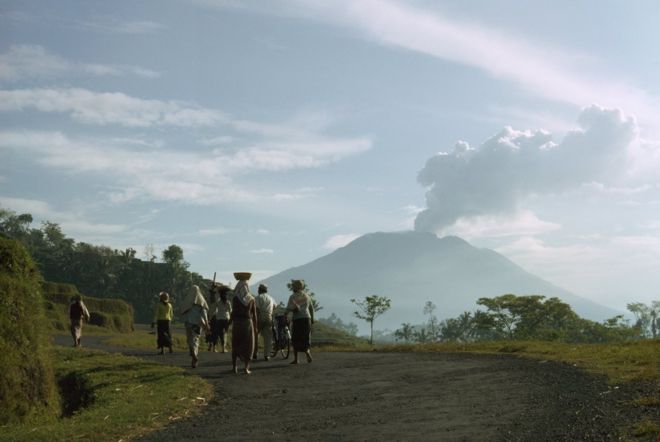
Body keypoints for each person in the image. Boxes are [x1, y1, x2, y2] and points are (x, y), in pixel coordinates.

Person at [231, 272, 257, 374]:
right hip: (247, 323)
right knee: (248, 345)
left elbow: (233, 312)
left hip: (237, 323)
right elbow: (254, 314)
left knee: (236, 344)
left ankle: (234, 367)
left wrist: (230, 323)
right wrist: (255, 327)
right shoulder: (251, 299)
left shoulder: (235, 298)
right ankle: (246, 368)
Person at [179, 285, 209, 368]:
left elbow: (183, 311)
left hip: (188, 323)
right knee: (196, 340)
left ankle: (193, 355)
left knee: (189, 340)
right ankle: (194, 356)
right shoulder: (201, 302)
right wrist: (206, 324)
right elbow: (204, 314)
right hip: (198, 324)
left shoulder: (187, 301)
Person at [286, 280, 314, 364]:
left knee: (295, 337)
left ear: (295, 287)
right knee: (305, 337)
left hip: (297, 319)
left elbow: (289, 308)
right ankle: (307, 352)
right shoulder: (307, 296)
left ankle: (296, 359)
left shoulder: (292, 297)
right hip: (307, 318)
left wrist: (285, 313)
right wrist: (312, 319)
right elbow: (311, 309)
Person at [254, 283, 276, 360]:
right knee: (268, 337)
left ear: (260, 290)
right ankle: (267, 355)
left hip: (260, 316)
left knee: (256, 335)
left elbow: (256, 309)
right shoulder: (271, 298)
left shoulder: (258, 297)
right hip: (269, 316)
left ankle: (255, 353)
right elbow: (275, 306)